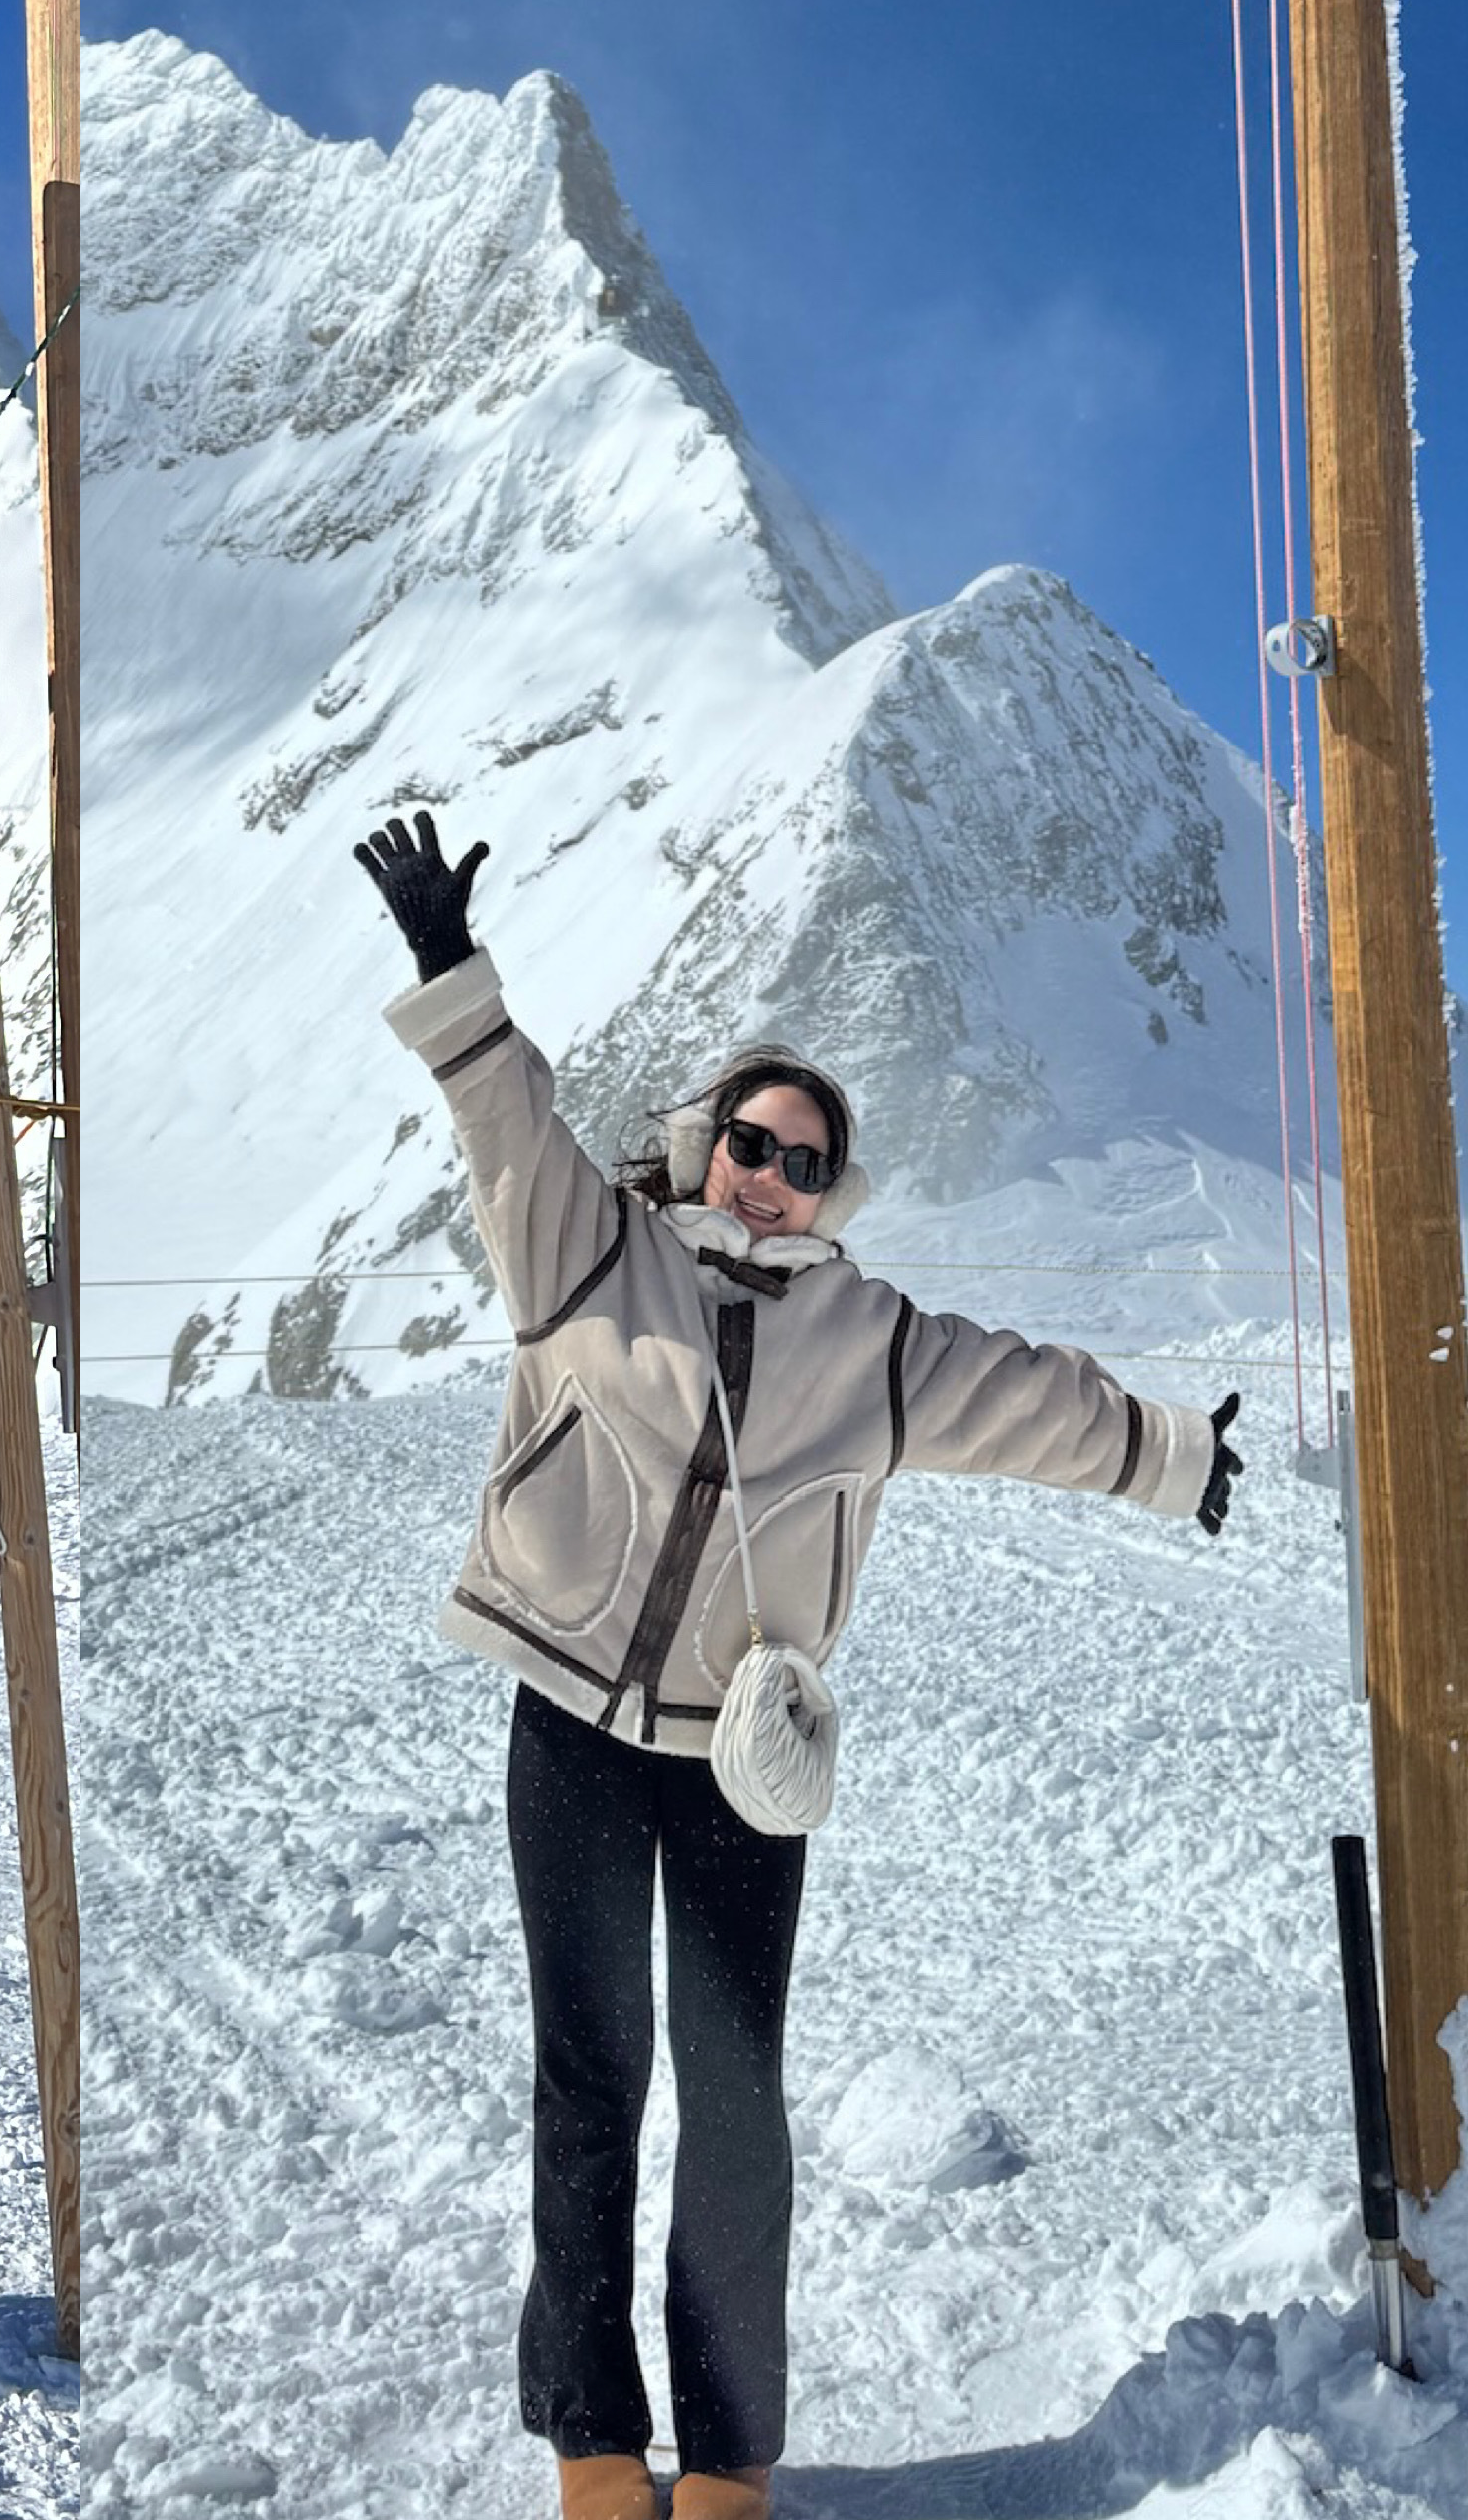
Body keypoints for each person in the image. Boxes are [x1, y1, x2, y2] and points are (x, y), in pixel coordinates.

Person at [355, 811, 1240, 2520]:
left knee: (736, 2104)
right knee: (591, 2084)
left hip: (740, 1760)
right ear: (703, 1146)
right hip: (572, 1727)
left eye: (808, 1162)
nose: (773, 1176)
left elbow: (1030, 1399)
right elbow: (504, 1116)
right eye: (753, 1143)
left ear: (834, 1195)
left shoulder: (871, 1339)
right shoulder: (588, 1248)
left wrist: (1169, 1452)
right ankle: (595, 2451)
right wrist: (449, 967)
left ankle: (728, 2469)